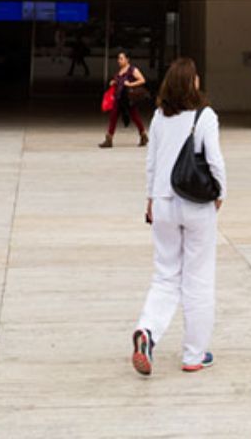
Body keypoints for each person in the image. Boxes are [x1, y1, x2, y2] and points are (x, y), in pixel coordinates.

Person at [130, 58, 226, 377]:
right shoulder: (205, 116)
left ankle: (147, 332)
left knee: (165, 275)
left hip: (162, 204)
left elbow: (152, 162)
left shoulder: (159, 116)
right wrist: (221, 194)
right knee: (198, 278)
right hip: (196, 203)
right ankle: (193, 355)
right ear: (192, 83)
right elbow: (215, 161)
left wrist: (150, 199)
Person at [100, 50, 150, 148]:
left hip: (128, 98)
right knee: (113, 117)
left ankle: (143, 135)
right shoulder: (120, 71)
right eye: (118, 58)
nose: (119, 60)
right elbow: (119, 82)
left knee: (135, 117)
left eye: (121, 58)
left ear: (127, 59)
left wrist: (131, 84)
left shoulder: (132, 69)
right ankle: (109, 139)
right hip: (119, 98)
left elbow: (142, 80)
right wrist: (114, 82)